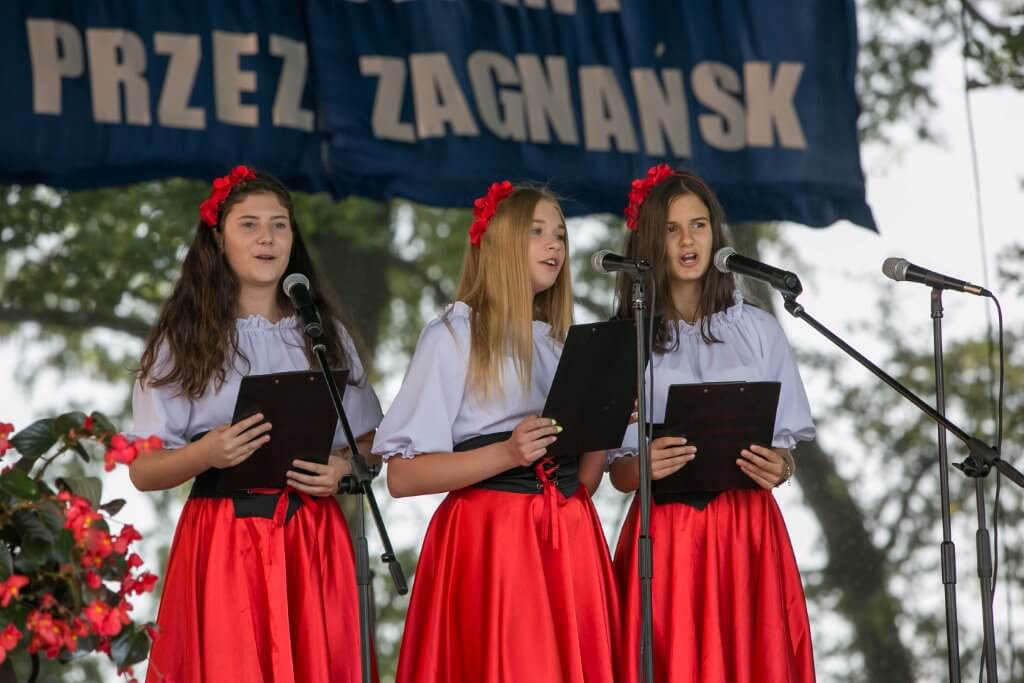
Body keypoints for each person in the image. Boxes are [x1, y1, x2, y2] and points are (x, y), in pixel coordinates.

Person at [129, 166, 382, 683]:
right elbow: (143, 469)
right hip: (224, 535)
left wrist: (343, 468)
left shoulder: (323, 333)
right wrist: (205, 453)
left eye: (279, 225)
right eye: (249, 224)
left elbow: (372, 440)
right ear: (218, 240)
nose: (267, 237)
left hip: (312, 534)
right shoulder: (182, 339)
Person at [372, 181, 620, 683]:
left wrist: (608, 417)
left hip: (568, 537)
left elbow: (584, 484)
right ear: (502, 240)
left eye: (560, 234)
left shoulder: (560, 345)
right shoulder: (454, 334)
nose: (555, 245)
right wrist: (508, 453)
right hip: (491, 540)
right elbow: (402, 476)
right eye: (537, 231)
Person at [610, 165, 817, 682]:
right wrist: (643, 466)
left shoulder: (759, 329)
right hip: (667, 534)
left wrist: (780, 467)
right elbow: (616, 473)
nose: (688, 240)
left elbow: (784, 451)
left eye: (698, 225)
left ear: (715, 233)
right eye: (672, 228)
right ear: (649, 241)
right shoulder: (624, 340)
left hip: (748, 530)